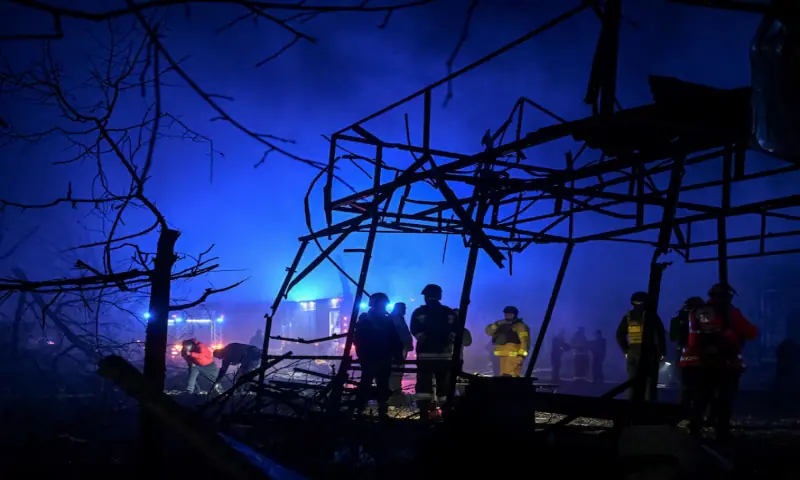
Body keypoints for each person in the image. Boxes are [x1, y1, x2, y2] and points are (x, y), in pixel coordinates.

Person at [680, 283, 758, 439]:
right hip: (726, 363)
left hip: (701, 363)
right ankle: (721, 431)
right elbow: (751, 332)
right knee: (724, 398)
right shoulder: (732, 313)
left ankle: (695, 428)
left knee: (702, 396)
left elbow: (692, 339)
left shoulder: (697, 312)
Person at [410, 284, 459, 420]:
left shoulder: (419, 312)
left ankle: (424, 414)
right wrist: (446, 341)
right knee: (444, 385)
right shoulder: (449, 313)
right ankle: (446, 414)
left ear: (425, 297)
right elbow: (456, 330)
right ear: (439, 296)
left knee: (424, 385)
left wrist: (426, 340)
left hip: (425, 356)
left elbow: (414, 329)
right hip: (445, 356)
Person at [353, 292, 402, 419]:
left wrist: (397, 355)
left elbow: (394, 339)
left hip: (377, 357)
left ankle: (367, 410)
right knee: (373, 384)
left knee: (377, 384)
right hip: (374, 357)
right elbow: (359, 339)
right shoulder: (368, 320)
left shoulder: (378, 319)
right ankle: (366, 410)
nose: (385, 306)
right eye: (383, 304)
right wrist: (397, 355)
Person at [616, 291, 666, 401]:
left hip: (633, 352)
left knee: (632, 382)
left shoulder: (628, 316)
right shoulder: (651, 316)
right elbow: (659, 334)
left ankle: (632, 407)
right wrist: (661, 352)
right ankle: (647, 409)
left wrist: (626, 351)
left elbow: (619, 335)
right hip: (649, 352)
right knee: (649, 383)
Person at [670, 297, 705, 397]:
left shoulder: (677, 320)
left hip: (684, 352)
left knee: (684, 383)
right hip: (700, 353)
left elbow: (673, 337)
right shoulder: (704, 319)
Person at [485, 306, 530, 377]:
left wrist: (521, 357)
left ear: (514, 314)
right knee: (501, 379)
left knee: (510, 379)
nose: (507, 315)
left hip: (512, 359)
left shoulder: (520, 326)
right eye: (506, 314)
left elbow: (525, 342)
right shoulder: (501, 324)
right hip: (500, 358)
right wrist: (497, 324)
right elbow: (489, 332)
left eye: (510, 314)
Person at [389, 302, 414, 405]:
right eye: (403, 308)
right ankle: (395, 393)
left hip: (399, 349)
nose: (405, 310)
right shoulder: (396, 319)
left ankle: (395, 392)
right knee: (396, 371)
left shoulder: (396, 318)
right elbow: (401, 333)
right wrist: (407, 343)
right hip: (397, 349)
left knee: (396, 371)